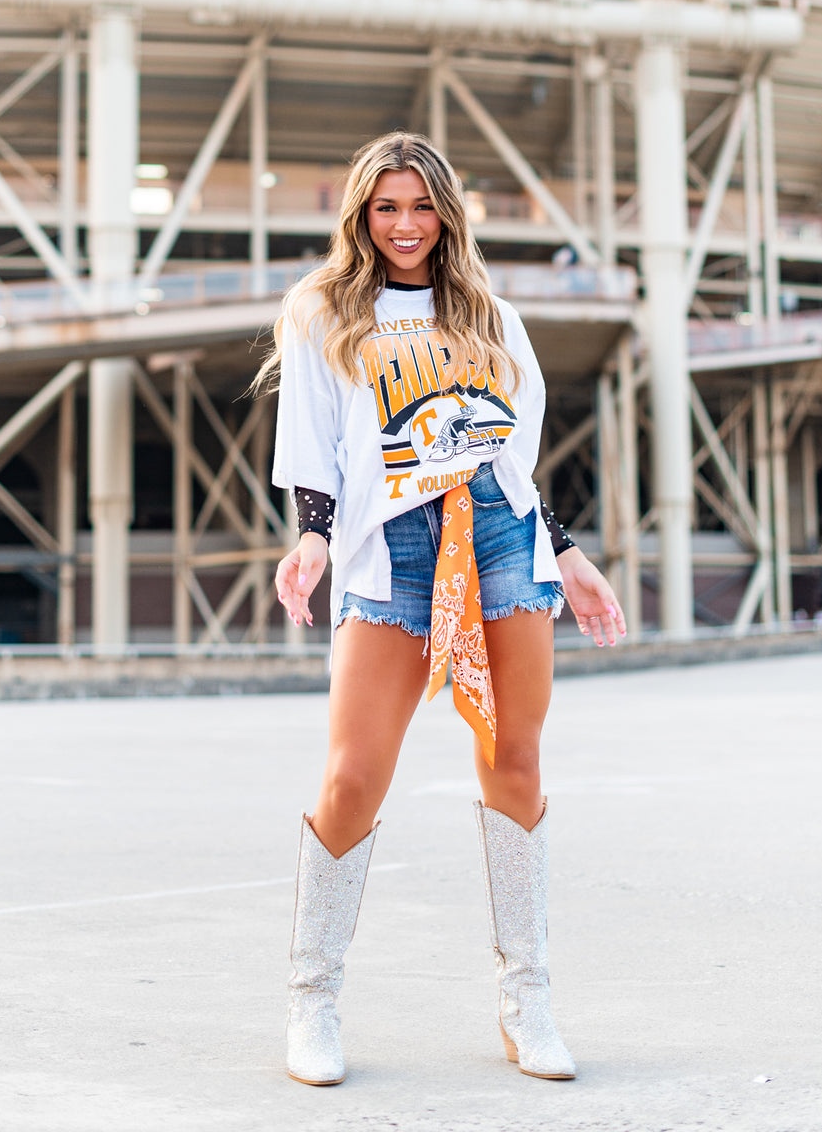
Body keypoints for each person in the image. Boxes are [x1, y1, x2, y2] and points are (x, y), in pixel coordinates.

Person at [257, 132, 626, 1086]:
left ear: (446, 213)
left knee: (516, 755)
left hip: (500, 534)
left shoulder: (491, 315)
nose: (406, 226)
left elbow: (505, 454)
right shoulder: (323, 312)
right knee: (354, 775)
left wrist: (568, 552)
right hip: (394, 550)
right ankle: (313, 1001)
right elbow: (316, 447)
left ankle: (527, 999)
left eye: (421, 207)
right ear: (360, 215)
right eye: (386, 208)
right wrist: (312, 539)